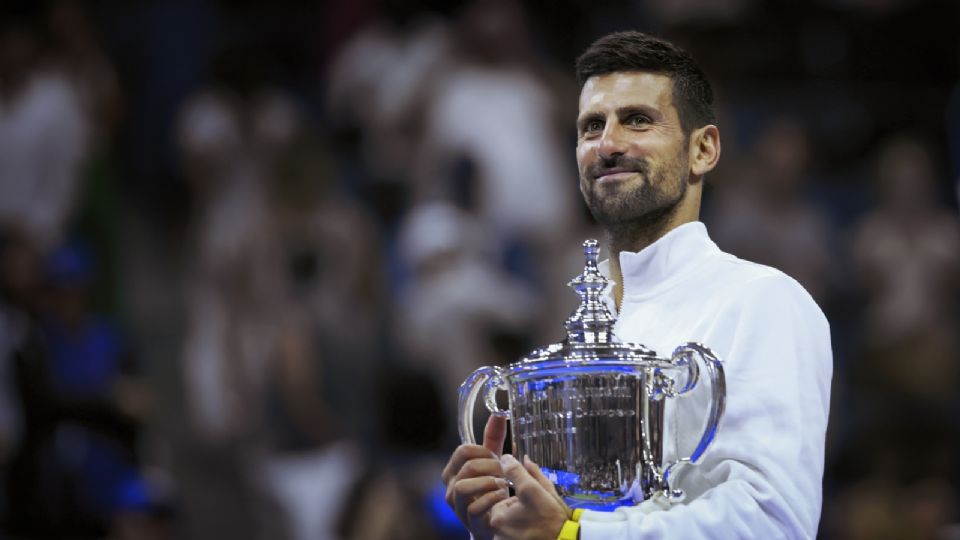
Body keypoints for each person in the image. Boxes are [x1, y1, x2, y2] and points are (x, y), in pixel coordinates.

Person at [441, 31, 832, 539]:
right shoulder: (578, 322)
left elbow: (772, 523)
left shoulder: (763, 301)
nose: (608, 144)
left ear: (704, 150)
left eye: (638, 120)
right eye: (591, 127)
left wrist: (574, 535)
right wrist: (500, 516)